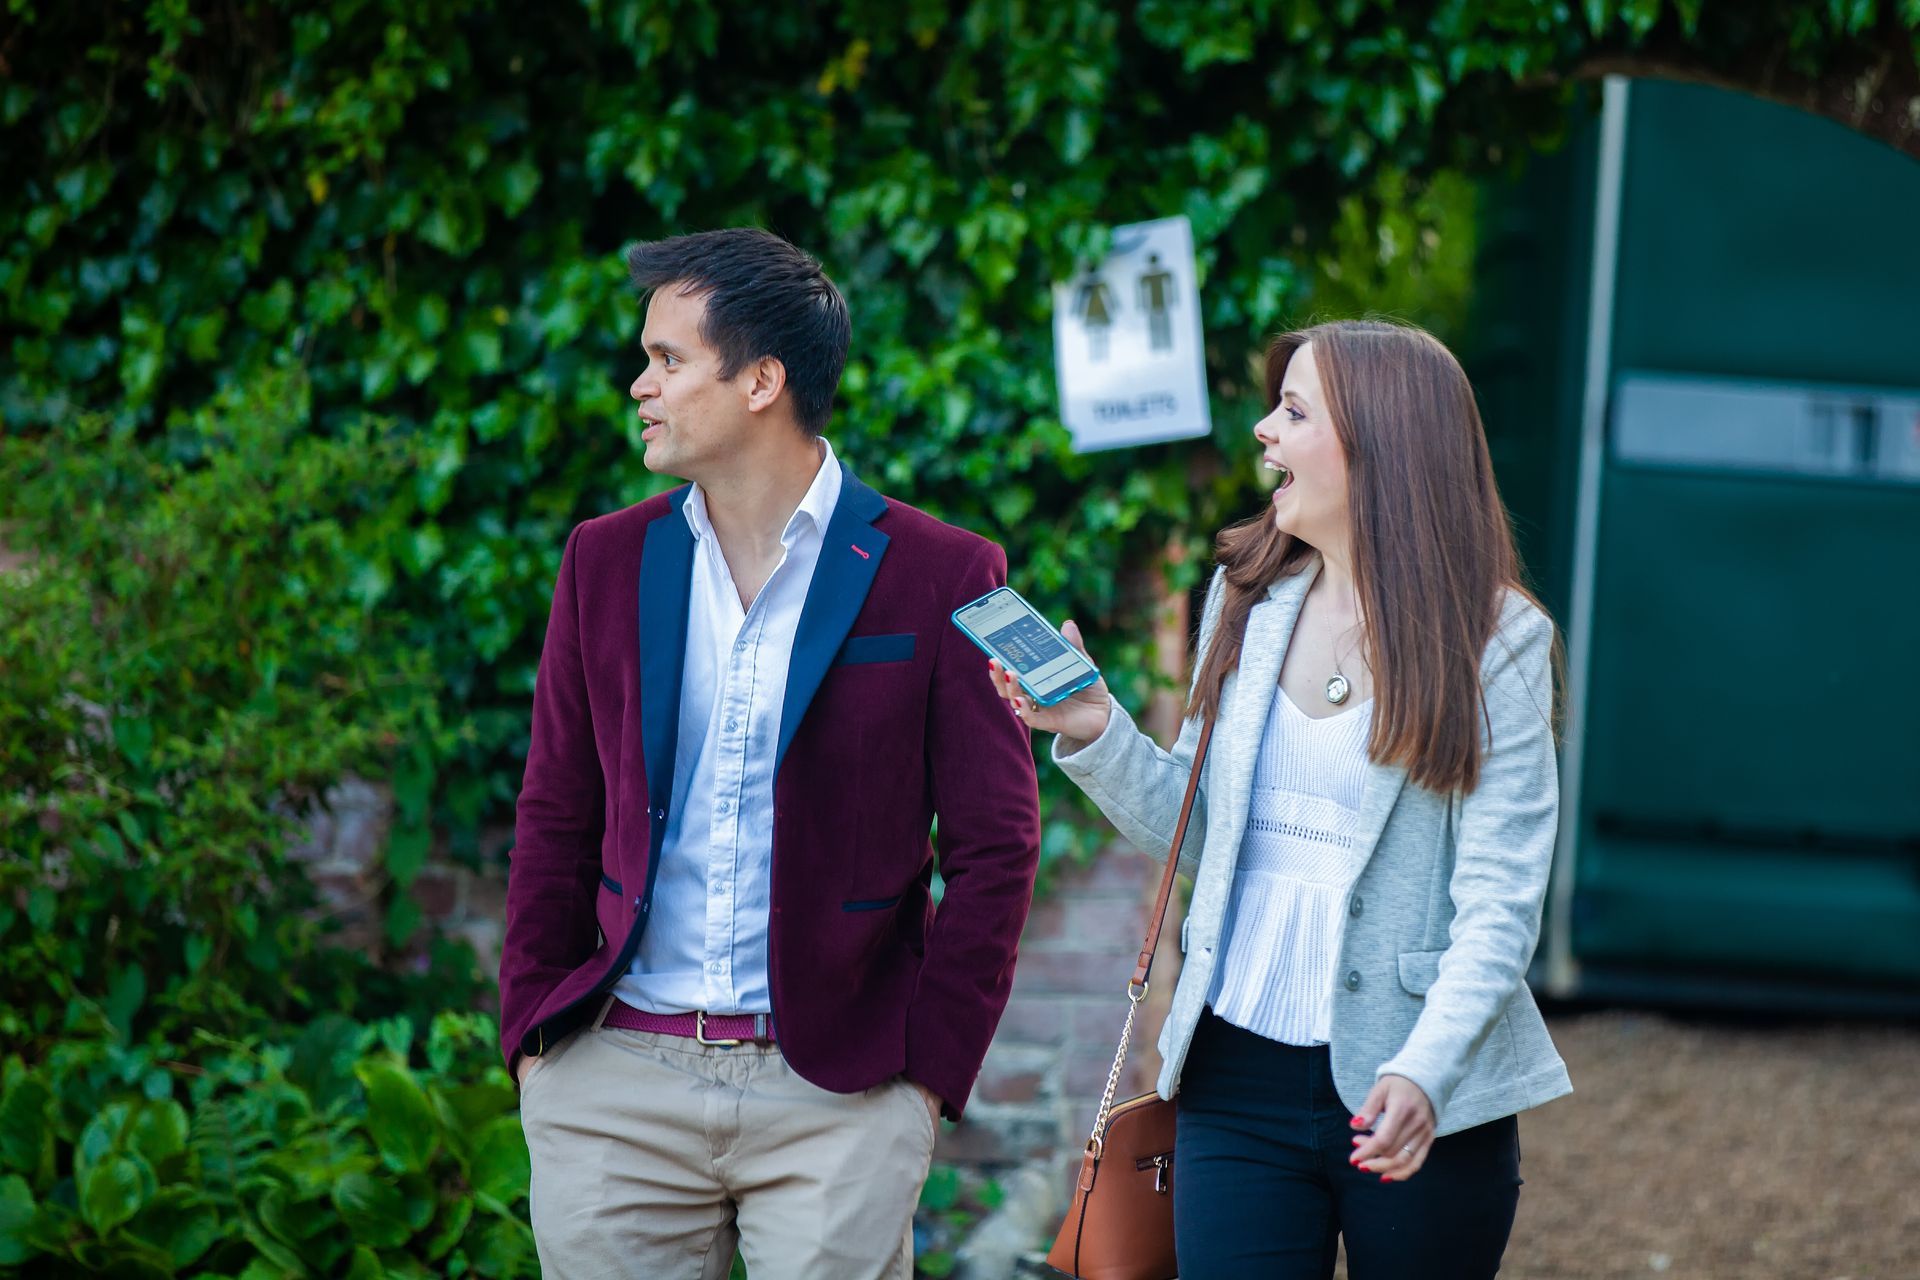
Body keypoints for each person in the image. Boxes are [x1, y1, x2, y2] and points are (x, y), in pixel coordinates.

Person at [501, 228, 1041, 1279]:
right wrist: (534, 1032)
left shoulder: (943, 572)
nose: (639, 385)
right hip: (616, 1081)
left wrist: (926, 1076)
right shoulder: (603, 561)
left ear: (761, 379)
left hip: (836, 1098)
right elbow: (556, 811)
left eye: (667, 360)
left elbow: (996, 844)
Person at [990, 319, 1572, 1279]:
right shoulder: (1246, 599)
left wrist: (1423, 1071)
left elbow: (1501, 900)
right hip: (1233, 1071)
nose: (1263, 430)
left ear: (1381, 445)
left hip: (1413, 1083)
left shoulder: (1497, 641)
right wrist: (1096, 726)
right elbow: (1206, 831)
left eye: (1294, 411)